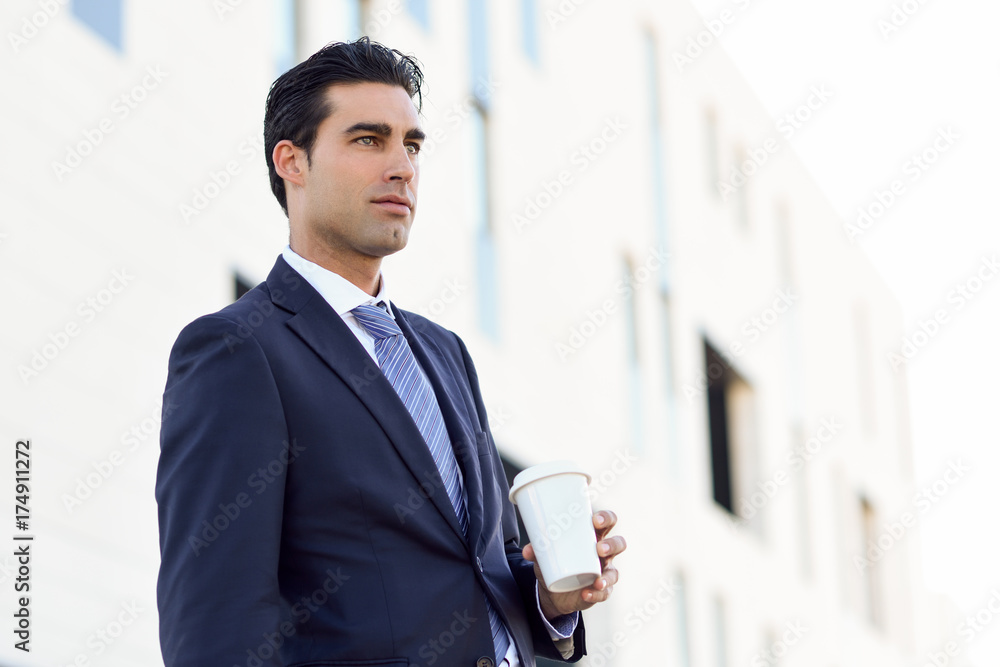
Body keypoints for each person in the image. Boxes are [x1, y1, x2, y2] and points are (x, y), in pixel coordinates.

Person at [155, 37, 625, 667]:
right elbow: (216, 621)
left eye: (412, 144)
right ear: (292, 161)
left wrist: (550, 595)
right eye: (368, 140)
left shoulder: (444, 352)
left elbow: (477, 567)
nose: (402, 166)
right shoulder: (236, 351)